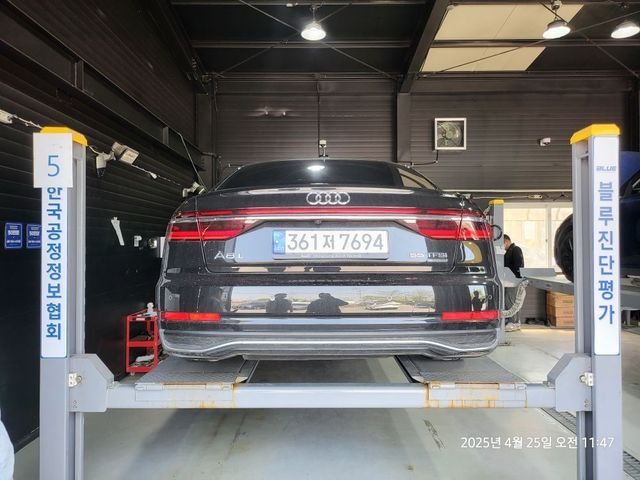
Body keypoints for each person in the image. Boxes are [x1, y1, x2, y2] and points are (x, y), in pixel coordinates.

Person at [503, 234, 525, 331]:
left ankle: (514, 322)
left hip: (513, 281)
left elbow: (518, 266)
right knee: (509, 300)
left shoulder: (515, 250)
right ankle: (513, 321)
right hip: (509, 280)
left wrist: (515, 278)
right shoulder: (508, 251)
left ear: (506, 241)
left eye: (502, 243)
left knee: (511, 301)